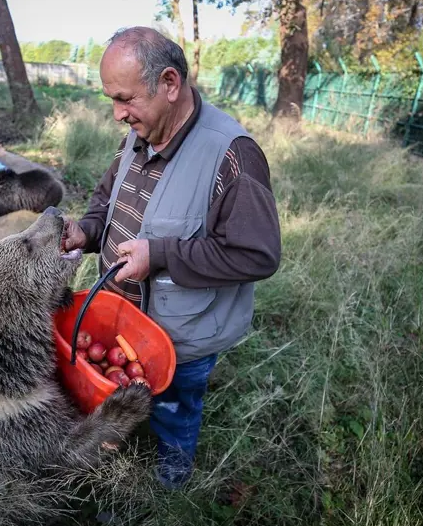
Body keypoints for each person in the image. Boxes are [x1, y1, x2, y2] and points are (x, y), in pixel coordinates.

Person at [61, 26, 282, 489]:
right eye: (112, 100)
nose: (117, 114)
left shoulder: (233, 155)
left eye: (125, 99)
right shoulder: (139, 132)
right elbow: (106, 202)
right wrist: (86, 231)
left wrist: (160, 255)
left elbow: (257, 255)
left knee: (176, 413)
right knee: (129, 406)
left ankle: (172, 484)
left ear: (169, 83)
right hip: (122, 321)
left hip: (181, 336)